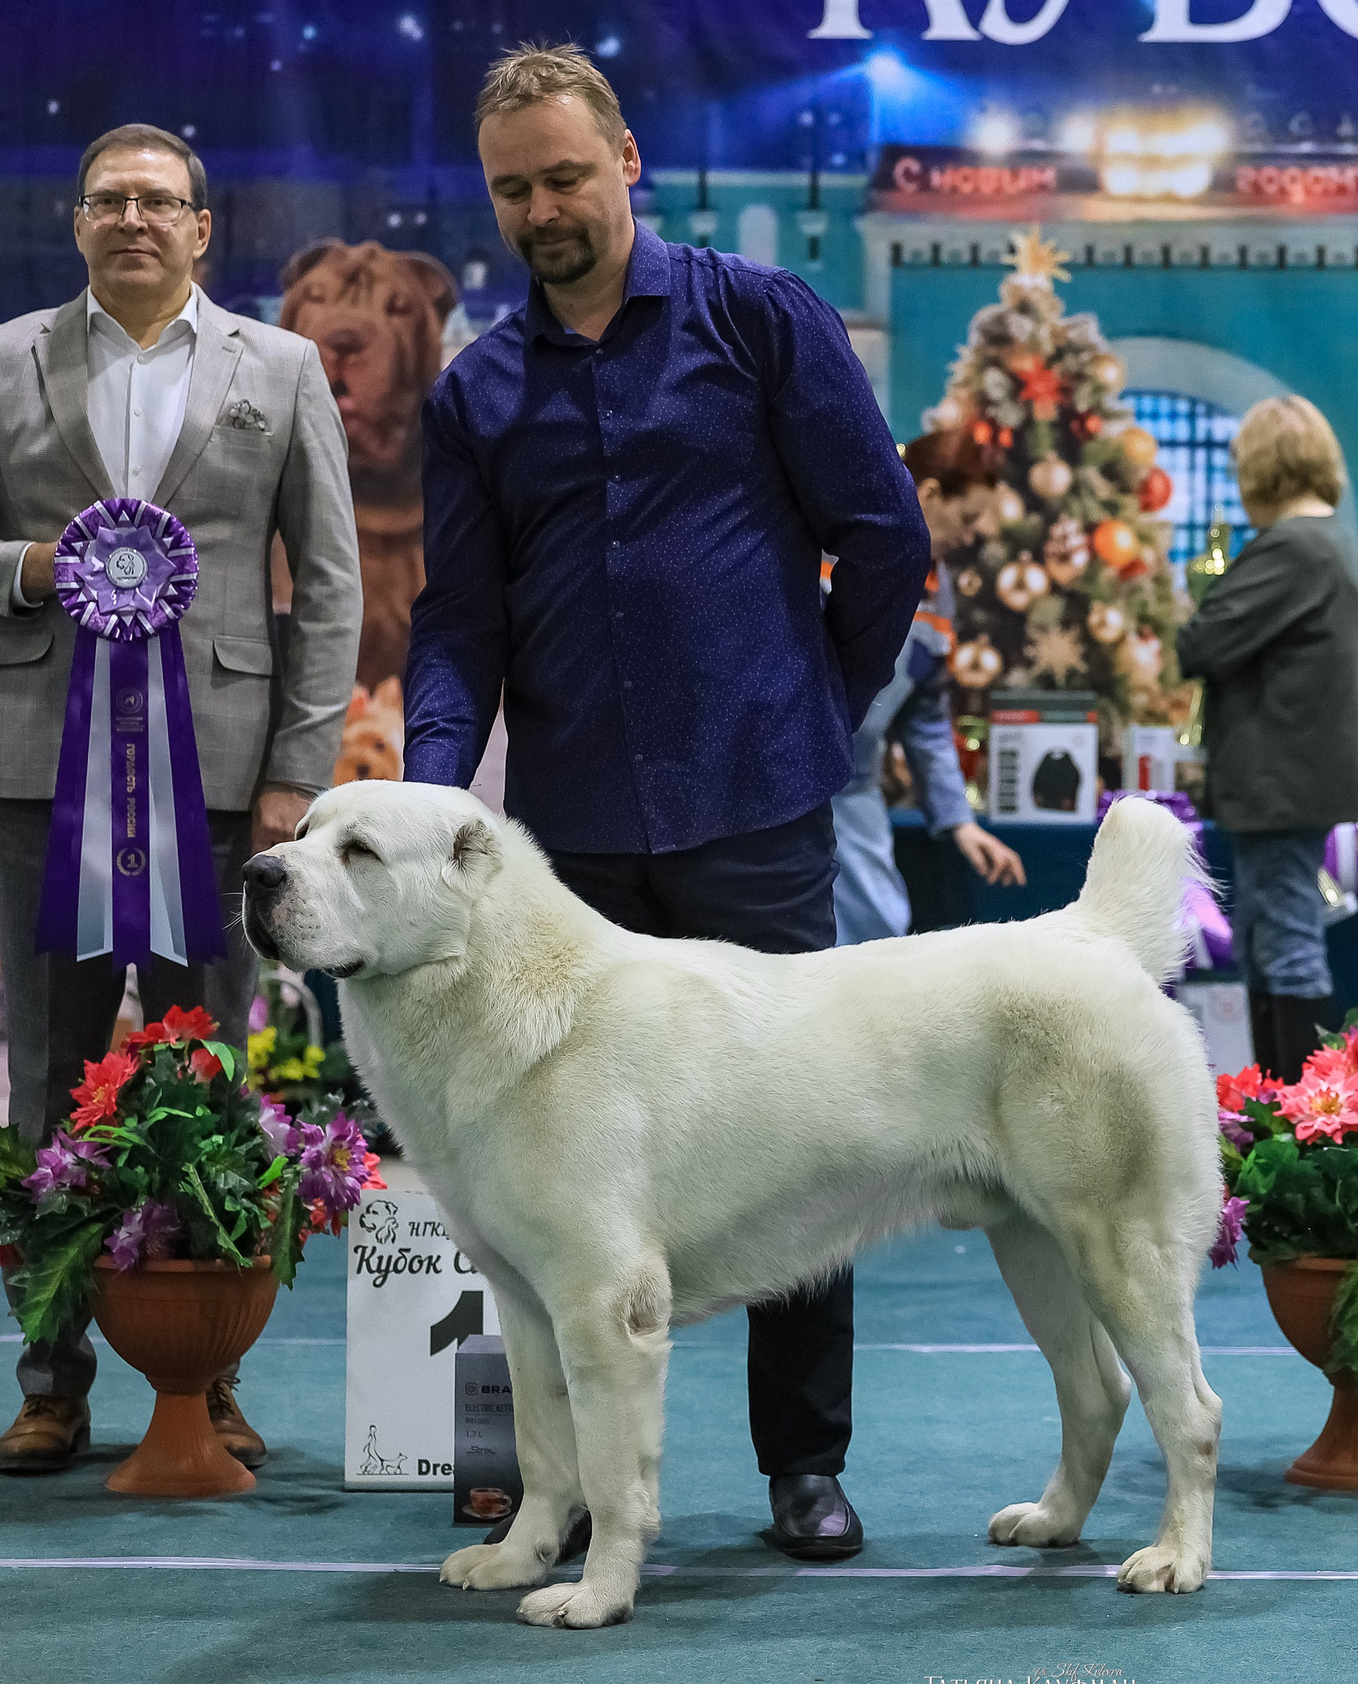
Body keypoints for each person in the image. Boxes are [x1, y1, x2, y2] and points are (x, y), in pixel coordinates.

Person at [402, 46, 932, 1561]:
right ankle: (561, 1486)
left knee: (804, 1137)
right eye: (512, 188)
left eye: (565, 175)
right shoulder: (478, 391)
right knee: (549, 1183)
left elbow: (880, 536)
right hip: (564, 850)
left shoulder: (759, 320)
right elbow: (460, 624)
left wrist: (820, 704)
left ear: (627, 159)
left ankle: (803, 1466)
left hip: (759, 803)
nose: (542, 209)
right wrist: (438, 798)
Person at [0, 123, 361, 1473]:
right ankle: (53, 1377)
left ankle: (205, 1379)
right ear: (76, 220)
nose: (136, 220)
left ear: (202, 228)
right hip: (45, 775)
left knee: (205, 1077)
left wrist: (296, 773)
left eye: (161, 201)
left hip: (225, 782)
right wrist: (32, 570)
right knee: (48, 1077)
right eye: (112, 200)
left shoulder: (282, 368)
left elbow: (328, 584)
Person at [1174, 396, 1358, 1076]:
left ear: (1262, 469)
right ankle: (1285, 1110)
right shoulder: (1342, 546)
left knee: (1284, 942)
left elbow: (1203, 641)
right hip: (1305, 778)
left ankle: (1303, 1113)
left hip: (1277, 782)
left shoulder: (1292, 548)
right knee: (1270, 939)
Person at [833, 432, 1026, 944]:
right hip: (781, 791)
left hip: (852, 788)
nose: (978, 532)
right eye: (968, 517)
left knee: (878, 932)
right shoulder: (829, 558)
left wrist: (959, 821)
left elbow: (924, 718)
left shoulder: (939, 597)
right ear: (929, 495)